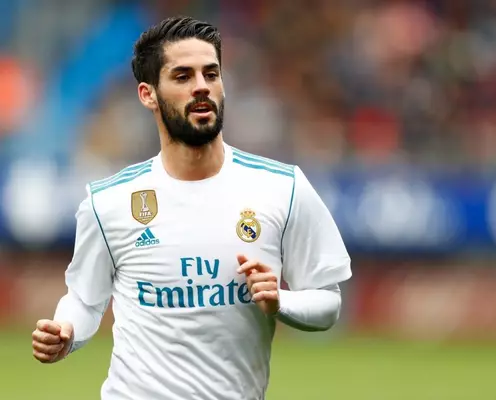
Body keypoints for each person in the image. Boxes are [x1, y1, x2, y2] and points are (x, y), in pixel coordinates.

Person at [30, 16, 352, 400]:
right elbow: (85, 299)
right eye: (182, 76)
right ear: (148, 94)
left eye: (211, 74)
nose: (201, 86)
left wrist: (282, 301)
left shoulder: (283, 187)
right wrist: (65, 331)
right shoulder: (109, 202)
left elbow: (327, 300)